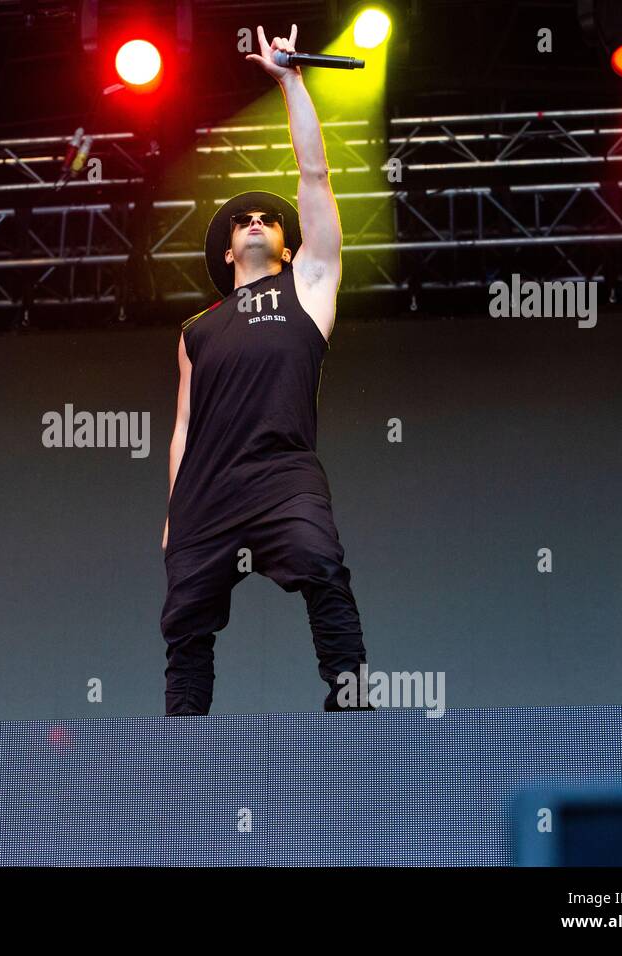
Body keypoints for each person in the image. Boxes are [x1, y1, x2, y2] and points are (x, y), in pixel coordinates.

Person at [160, 24, 371, 715]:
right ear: (226, 252)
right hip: (206, 489)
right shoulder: (196, 331)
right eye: (242, 220)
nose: (254, 221)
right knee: (186, 619)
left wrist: (291, 81)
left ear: (286, 245)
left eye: (266, 219)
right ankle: (183, 736)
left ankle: (350, 701)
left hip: (282, 471)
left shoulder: (308, 285)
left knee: (322, 567)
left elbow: (314, 175)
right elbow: (184, 425)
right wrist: (173, 511)